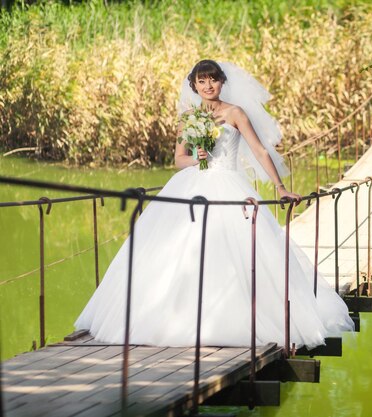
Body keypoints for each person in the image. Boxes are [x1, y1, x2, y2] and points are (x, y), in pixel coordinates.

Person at [74, 60, 354, 348]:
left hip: (228, 185)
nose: (208, 86)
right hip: (192, 186)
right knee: (177, 250)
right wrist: (200, 158)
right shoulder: (189, 117)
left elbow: (258, 150)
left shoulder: (235, 113)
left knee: (238, 250)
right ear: (193, 85)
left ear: (222, 82)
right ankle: (173, 319)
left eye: (213, 80)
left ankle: (236, 319)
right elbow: (179, 159)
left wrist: (280, 187)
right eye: (202, 81)